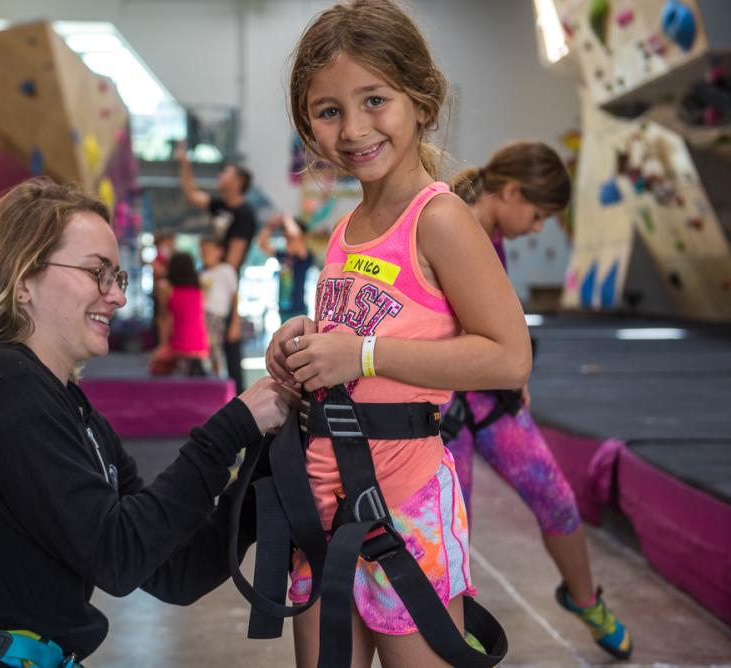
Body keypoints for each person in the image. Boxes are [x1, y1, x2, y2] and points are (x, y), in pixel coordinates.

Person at [0, 178, 295, 668]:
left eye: (117, 278)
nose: (114, 296)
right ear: (22, 279)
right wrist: (232, 428)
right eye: (97, 273)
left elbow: (175, 570)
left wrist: (261, 473)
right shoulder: (0, 388)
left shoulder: (62, 401)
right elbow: (118, 554)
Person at [264, 2, 532, 665]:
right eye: (328, 112)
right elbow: (367, 327)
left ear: (420, 98)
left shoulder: (439, 219)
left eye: (374, 100)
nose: (354, 129)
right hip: (324, 500)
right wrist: (305, 341)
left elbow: (509, 358)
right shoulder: (345, 227)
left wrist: (362, 353)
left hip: (405, 505)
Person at [445, 141, 631, 660]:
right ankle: (451, 626)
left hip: (487, 393)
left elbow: (493, 315)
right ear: (510, 191)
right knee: (454, 529)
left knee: (555, 496)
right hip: (443, 405)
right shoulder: (449, 223)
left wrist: (511, 363)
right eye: (539, 214)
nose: (539, 228)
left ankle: (584, 598)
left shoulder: (493, 236)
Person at [175, 142, 256, 393]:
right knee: (210, 346)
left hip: (226, 283)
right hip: (214, 277)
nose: (220, 177)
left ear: (238, 182)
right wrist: (184, 163)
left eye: (226, 174)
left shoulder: (244, 214)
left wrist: (233, 317)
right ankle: (211, 391)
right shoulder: (220, 205)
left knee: (228, 346)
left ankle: (236, 397)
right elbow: (191, 194)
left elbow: (233, 262)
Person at [153, 251, 210, 376]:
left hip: (178, 341)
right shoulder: (200, 289)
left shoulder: (166, 288)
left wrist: (163, 344)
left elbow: (164, 318)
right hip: (200, 343)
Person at [257, 213, 315, 323]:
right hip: (283, 309)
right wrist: (270, 226)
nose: (286, 238)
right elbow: (262, 244)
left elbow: (296, 236)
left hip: (298, 310)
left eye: (288, 237)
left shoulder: (305, 257)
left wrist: (286, 218)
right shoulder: (282, 255)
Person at [200, 235, 239, 377]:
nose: (205, 254)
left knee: (215, 351)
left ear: (219, 251)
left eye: (208, 251)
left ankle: (218, 380)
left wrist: (235, 323)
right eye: (203, 251)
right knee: (205, 352)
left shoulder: (227, 270)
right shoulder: (202, 272)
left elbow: (235, 298)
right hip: (202, 316)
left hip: (217, 317)